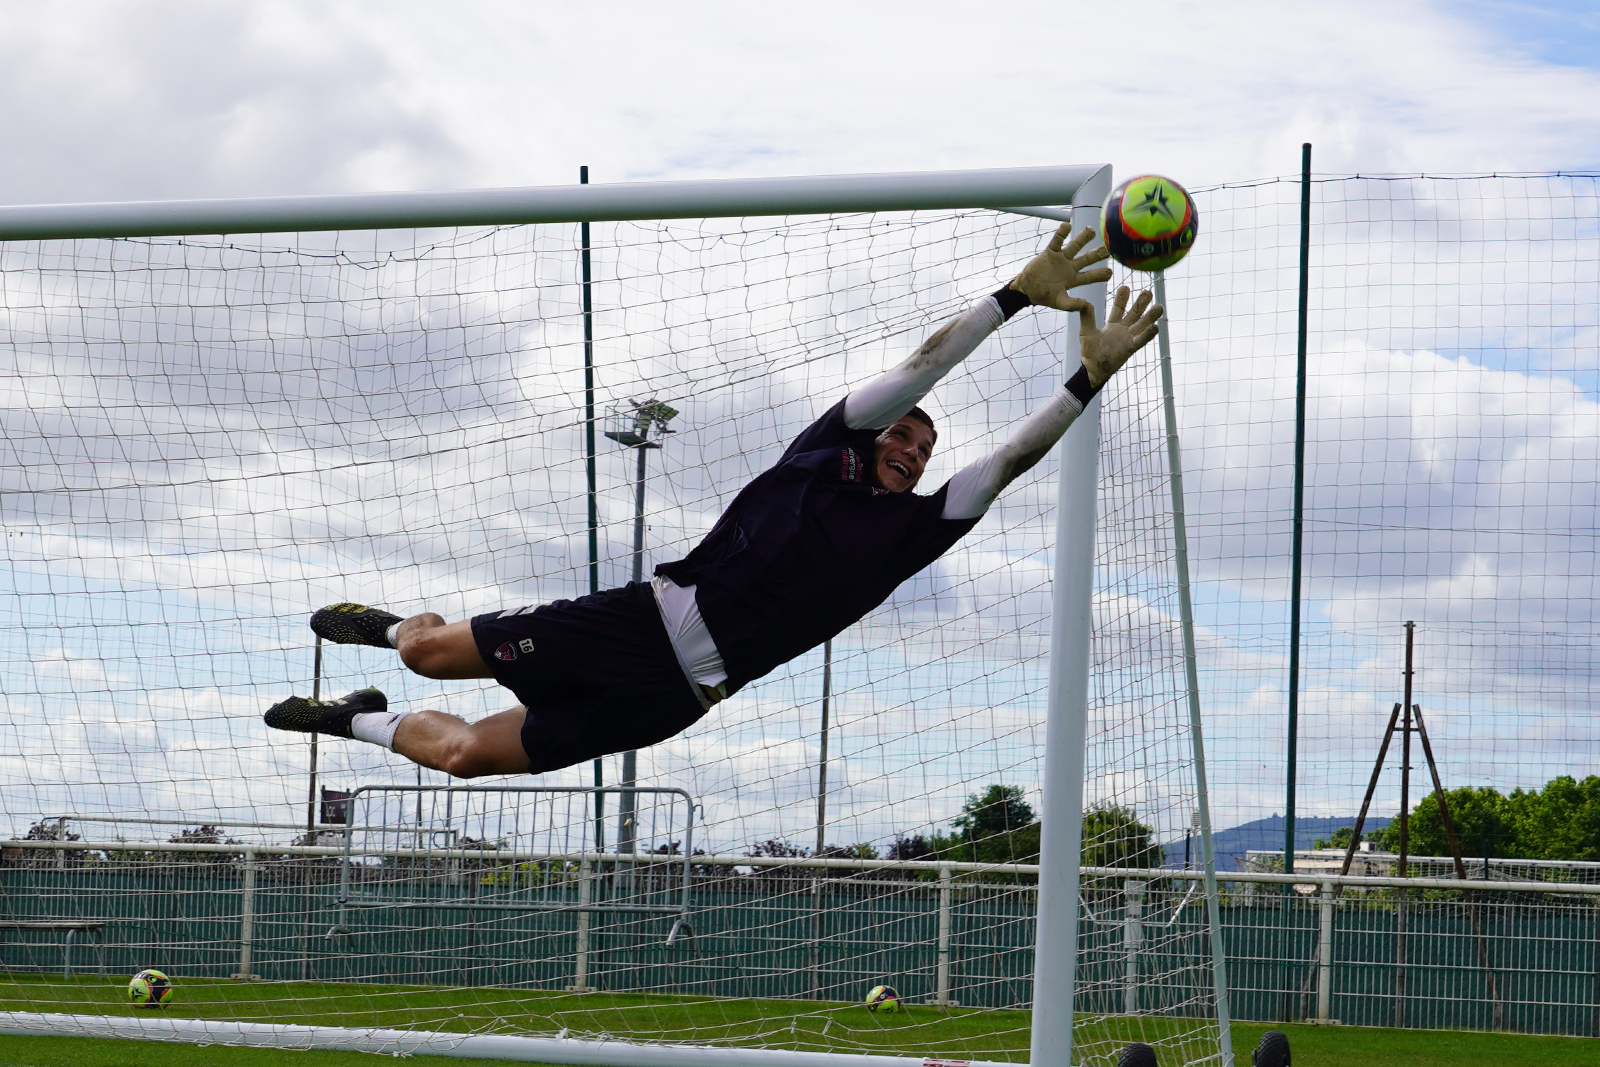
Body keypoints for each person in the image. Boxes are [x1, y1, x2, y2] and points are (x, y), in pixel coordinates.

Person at [264, 223, 1162, 778]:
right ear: (874, 434)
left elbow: (1009, 458)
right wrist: (1010, 299)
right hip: (636, 623)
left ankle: (354, 719)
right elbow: (918, 368)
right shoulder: (822, 452)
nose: (912, 450)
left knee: (466, 757)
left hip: (682, 694)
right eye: (903, 435)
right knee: (428, 655)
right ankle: (388, 633)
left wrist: (1087, 380)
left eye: (925, 451)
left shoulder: (913, 533)